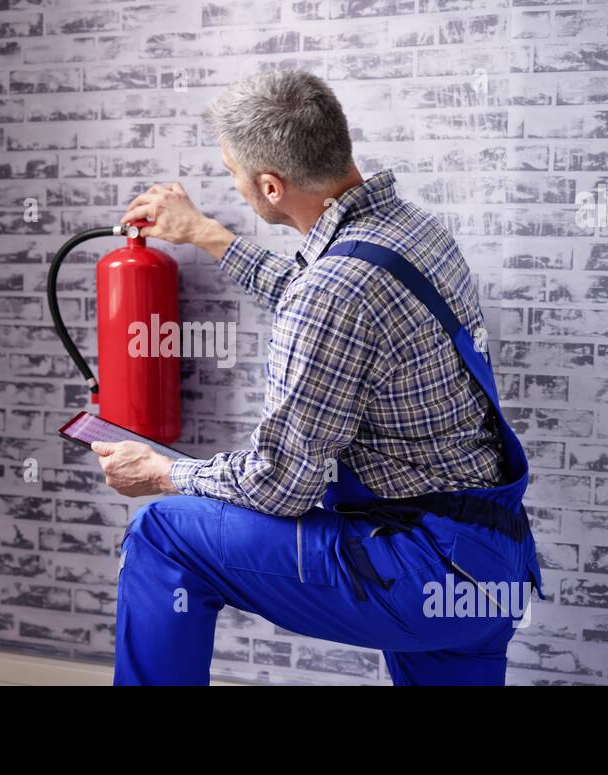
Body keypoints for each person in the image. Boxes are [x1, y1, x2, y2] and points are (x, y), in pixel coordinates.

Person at [90, 70, 545, 685]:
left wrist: (165, 472)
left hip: (416, 568)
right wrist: (208, 235)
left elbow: (280, 484)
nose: (236, 186)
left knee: (163, 533)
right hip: (490, 566)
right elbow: (326, 303)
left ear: (271, 186)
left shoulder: (330, 293)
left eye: (235, 176)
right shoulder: (413, 230)